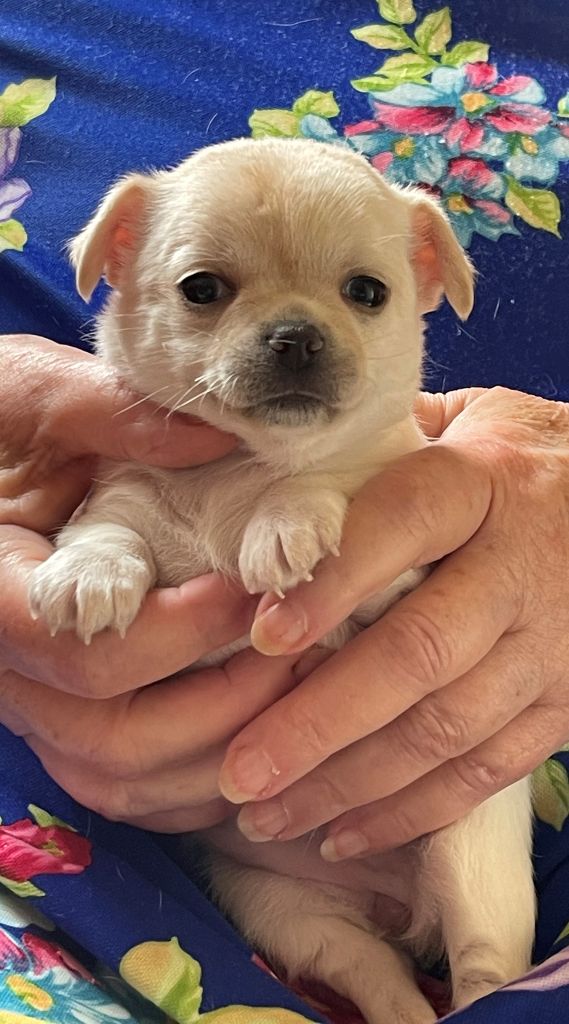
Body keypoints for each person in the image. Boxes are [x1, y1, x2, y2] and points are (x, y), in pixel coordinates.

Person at [1, 1, 569, 1022]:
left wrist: (315, 495)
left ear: (427, 274)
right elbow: (119, 517)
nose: (294, 336)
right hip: (219, 858)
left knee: (480, 813)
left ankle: (487, 971)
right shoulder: (130, 465)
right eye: (207, 287)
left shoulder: (404, 469)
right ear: (116, 260)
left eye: (361, 291)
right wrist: (105, 551)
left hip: (464, 778)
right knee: (274, 900)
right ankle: (381, 988)